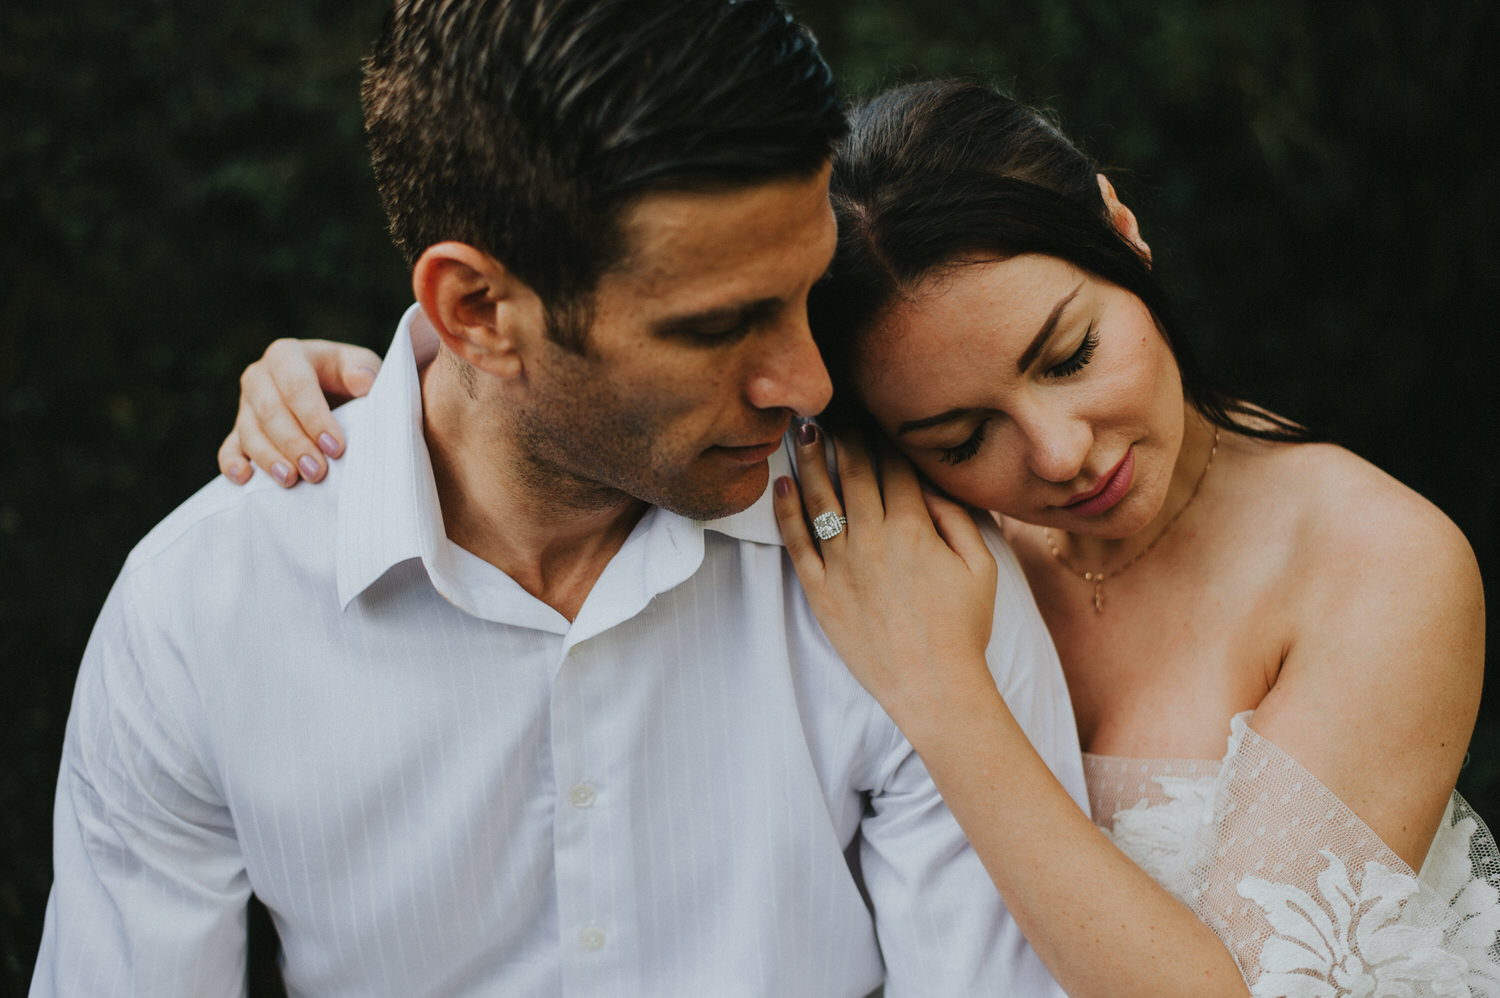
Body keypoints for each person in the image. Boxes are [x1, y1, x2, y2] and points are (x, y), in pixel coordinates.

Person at [228, 80, 1500, 997]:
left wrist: (944, 693)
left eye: (1069, 351)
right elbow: (584, 397)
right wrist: (362, 397)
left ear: (1121, 232)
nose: (1056, 454)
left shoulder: (1376, 564)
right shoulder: (867, 494)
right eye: (961, 431)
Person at [33, 13, 1090, 997]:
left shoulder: (915, 573)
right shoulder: (199, 611)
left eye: (810, 292)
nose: (809, 384)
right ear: (477, 309)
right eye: (719, 325)